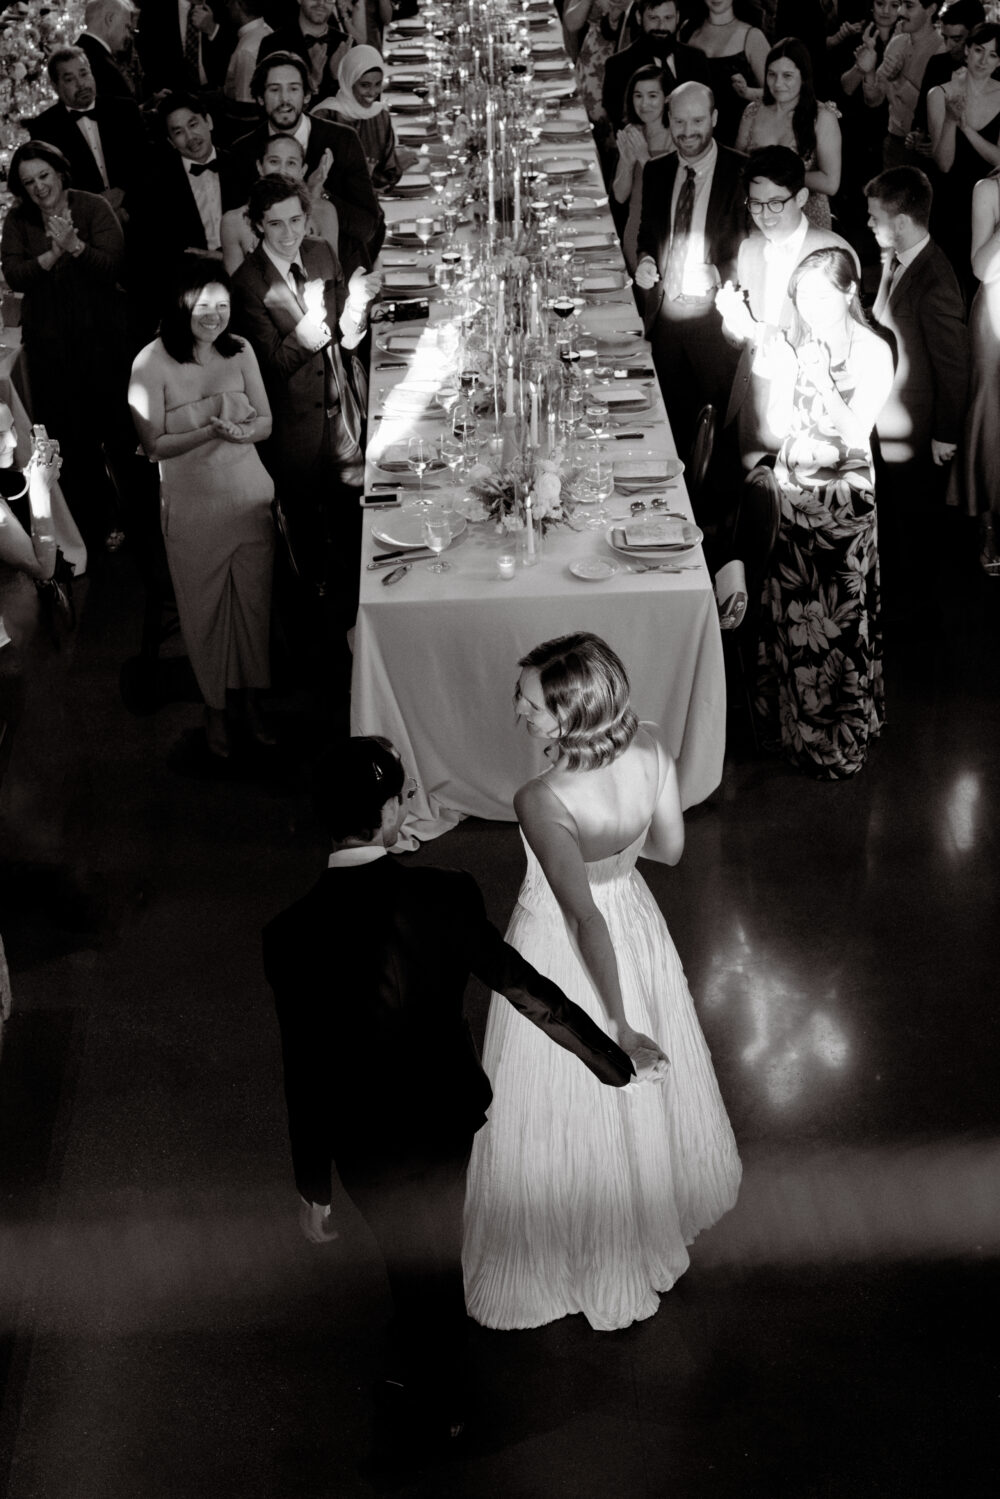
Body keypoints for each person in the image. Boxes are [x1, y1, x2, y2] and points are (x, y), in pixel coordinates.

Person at [263, 736, 635, 1442]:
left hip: (364, 1143)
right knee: (434, 1247)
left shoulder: (287, 935)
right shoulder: (444, 894)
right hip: (445, 1119)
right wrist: (611, 1060)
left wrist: (311, 1181)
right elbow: (528, 991)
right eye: (403, 797)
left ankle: (442, 1396)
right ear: (385, 816)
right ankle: (444, 1380)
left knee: (412, 1257)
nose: (409, 807)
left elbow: (303, 1067)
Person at [463, 633, 742, 1332]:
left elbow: (581, 917)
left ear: (568, 715)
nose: (516, 711)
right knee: (634, 1115)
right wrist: (618, 851)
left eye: (528, 701)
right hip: (637, 920)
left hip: (565, 951)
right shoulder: (649, 744)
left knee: (557, 1097)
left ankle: (570, 1249)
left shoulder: (540, 796)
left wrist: (616, 1027)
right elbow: (671, 849)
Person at [753, 248, 893, 777]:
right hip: (793, 497)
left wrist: (824, 379)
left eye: (820, 295)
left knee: (839, 621)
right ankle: (796, 730)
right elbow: (775, 427)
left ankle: (840, 742)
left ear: (849, 292)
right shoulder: (796, 342)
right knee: (793, 619)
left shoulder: (874, 350)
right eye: (800, 296)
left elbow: (857, 432)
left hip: (844, 505)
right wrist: (788, 374)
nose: (808, 307)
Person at [128, 260, 276, 760]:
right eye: (203, 305)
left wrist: (242, 431)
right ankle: (214, 708)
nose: (215, 316)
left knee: (253, 608)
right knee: (206, 612)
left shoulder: (241, 350)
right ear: (181, 306)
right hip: (193, 508)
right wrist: (210, 430)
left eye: (223, 306)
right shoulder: (150, 363)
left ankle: (252, 703)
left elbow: (266, 424)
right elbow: (153, 445)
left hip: (251, 496)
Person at [232, 176, 380, 612]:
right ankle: (318, 624)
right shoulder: (246, 283)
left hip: (341, 416)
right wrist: (309, 329)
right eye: (275, 224)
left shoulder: (320, 253)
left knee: (354, 522)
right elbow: (271, 366)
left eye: (295, 219)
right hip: (292, 427)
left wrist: (354, 306)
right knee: (306, 532)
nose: (289, 232)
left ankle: (359, 613)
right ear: (258, 226)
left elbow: (346, 339)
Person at [0, 141, 129, 546]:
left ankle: (136, 516)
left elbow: (113, 265)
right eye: (28, 182)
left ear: (59, 173)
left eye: (44, 176)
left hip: (102, 340)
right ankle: (92, 526)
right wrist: (52, 254)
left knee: (118, 431)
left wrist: (75, 247)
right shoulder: (18, 221)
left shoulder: (92, 207)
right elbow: (16, 275)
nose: (39, 188)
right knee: (69, 438)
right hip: (50, 346)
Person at [718, 146, 857, 470]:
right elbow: (739, 341)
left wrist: (756, 330)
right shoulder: (750, 248)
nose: (765, 215)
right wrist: (732, 322)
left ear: (802, 197)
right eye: (755, 204)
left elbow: (841, 352)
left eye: (776, 203)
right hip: (753, 401)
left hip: (812, 411)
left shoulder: (834, 254)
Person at [865, 167, 969, 595]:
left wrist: (945, 433)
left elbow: (954, 368)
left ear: (901, 223)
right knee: (896, 520)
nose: (868, 224)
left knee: (915, 526)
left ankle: (917, 616)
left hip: (917, 427)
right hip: (890, 418)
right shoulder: (901, 260)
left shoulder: (936, 282)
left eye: (875, 217)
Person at [634, 80, 747, 462]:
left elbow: (752, 249)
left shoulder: (741, 173)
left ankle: (710, 510)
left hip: (716, 322)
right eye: (679, 122)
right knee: (669, 421)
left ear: (714, 118)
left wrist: (717, 273)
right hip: (667, 318)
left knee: (715, 430)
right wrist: (647, 260)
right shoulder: (656, 172)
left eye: (697, 121)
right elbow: (648, 234)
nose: (687, 132)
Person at [232, 51, 383, 277]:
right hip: (268, 282)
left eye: (293, 89)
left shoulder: (342, 140)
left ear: (306, 96)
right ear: (260, 98)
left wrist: (319, 194)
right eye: (274, 90)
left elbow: (368, 227)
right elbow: (239, 231)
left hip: (344, 277)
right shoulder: (243, 151)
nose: (284, 99)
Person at [26, 46, 147, 224]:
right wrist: (98, 209)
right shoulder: (44, 128)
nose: (81, 84)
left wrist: (123, 194)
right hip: (84, 224)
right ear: (55, 86)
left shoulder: (125, 110)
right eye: (69, 79)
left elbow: (145, 162)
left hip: (136, 213)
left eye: (84, 74)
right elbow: (53, 188)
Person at [949, 166, 1000, 572]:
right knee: (991, 413)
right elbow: (981, 267)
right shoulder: (988, 188)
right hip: (997, 307)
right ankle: (988, 521)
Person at [735, 37, 842, 228]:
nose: (778, 83)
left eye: (787, 76)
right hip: (759, 216)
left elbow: (830, 183)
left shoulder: (822, 117)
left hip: (806, 217)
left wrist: (776, 175)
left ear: (804, 77)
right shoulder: (752, 112)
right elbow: (738, 165)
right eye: (771, 75)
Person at [927, 21, 1000, 292]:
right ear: (967, 50)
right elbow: (944, 164)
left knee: (981, 284)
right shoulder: (939, 93)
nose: (983, 60)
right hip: (948, 201)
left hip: (990, 206)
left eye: (992, 54)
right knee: (946, 286)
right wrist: (950, 118)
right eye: (979, 50)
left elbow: (999, 159)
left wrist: (966, 128)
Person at [220, 132, 340, 272]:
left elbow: (332, 276)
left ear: (302, 171)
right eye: (274, 162)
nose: (282, 171)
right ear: (260, 166)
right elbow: (238, 287)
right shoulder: (233, 221)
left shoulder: (324, 211)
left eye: (291, 163)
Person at [313, 44, 418, 192]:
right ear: (349, 82)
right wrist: (363, 176)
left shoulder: (380, 116)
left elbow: (389, 176)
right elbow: (316, 176)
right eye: (365, 85)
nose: (372, 92)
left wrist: (374, 175)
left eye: (377, 84)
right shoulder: (325, 117)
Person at [854, 0, 945, 169]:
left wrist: (899, 80)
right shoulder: (897, 43)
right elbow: (873, 100)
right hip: (894, 143)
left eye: (909, 6)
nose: (901, 12)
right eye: (901, 4)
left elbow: (935, 111)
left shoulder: (942, 51)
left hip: (926, 151)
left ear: (931, 9)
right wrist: (868, 71)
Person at [601, 0, 710, 135]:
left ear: (677, 17)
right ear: (639, 18)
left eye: (668, 18)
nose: (661, 26)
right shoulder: (618, 65)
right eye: (653, 18)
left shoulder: (696, 59)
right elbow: (620, 121)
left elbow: (706, 111)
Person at [611, 64, 675, 272]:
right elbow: (620, 195)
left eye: (652, 95)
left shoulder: (676, 136)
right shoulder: (633, 131)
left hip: (662, 232)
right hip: (634, 227)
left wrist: (644, 157)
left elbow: (666, 196)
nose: (644, 103)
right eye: (638, 96)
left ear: (666, 98)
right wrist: (629, 163)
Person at [680, 0, 769, 147]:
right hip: (695, 138)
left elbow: (776, 93)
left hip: (739, 140)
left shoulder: (752, 35)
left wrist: (747, 93)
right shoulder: (687, 32)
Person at [257, 0, 351, 103]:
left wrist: (338, 78)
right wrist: (312, 81)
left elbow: (357, 107)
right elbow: (266, 103)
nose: (321, 3)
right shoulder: (272, 43)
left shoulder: (347, 44)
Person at [75, 0, 138, 100]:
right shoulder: (98, 62)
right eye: (126, 26)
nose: (128, 35)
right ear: (110, 19)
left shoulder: (81, 52)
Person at [223, 0, 273, 103]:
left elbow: (246, 106)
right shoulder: (267, 30)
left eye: (230, 1)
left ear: (239, 4)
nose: (227, 5)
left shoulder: (246, 51)